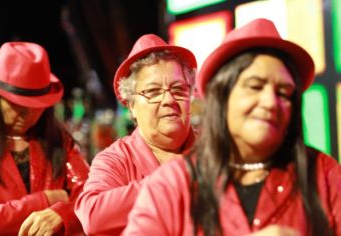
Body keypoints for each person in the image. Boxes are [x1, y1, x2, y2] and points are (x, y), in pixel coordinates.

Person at [122, 18, 341, 236]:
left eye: (284, 92)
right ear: (222, 96)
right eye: (255, 86)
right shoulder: (173, 184)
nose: (270, 102)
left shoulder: (324, 174)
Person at [74, 34, 197, 235]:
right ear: (131, 106)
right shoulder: (115, 159)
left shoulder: (216, 146)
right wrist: (177, 181)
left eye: (178, 89)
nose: (168, 99)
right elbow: (93, 215)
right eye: (153, 92)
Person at [0, 42, 89, 235]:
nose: (28, 114)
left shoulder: (59, 141)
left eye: (36, 105)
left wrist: (62, 213)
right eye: (17, 104)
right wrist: (44, 201)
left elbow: (91, 197)